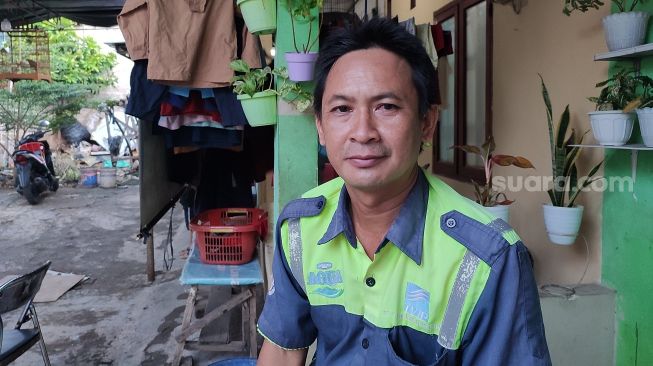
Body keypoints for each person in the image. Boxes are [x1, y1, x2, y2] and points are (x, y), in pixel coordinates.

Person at [257, 18, 551, 366]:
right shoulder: (300, 229)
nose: (363, 132)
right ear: (320, 127)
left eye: (387, 107)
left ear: (427, 122)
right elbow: (284, 348)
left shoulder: (487, 258)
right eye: (342, 109)